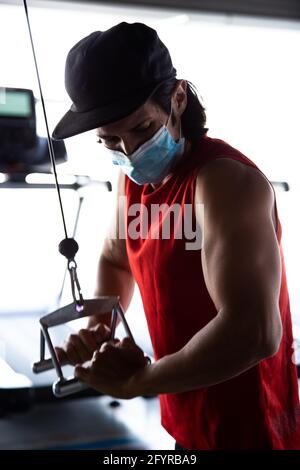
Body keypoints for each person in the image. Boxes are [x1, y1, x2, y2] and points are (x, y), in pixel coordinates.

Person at [52, 22, 300, 450]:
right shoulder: (131, 184)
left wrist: (138, 383)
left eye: (143, 130)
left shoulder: (223, 182)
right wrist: (100, 329)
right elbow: (115, 260)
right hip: (185, 421)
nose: (129, 153)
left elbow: (255, 332)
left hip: (250, 430)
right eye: (110, 141)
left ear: (178, 99)